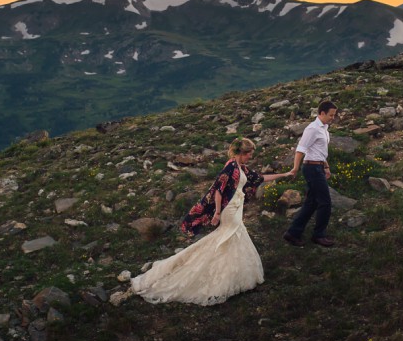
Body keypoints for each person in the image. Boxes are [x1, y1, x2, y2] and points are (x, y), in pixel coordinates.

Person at [130, 137, 293, 305]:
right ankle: (221, 278)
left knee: (231, 237)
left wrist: (284, 174)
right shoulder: (231, 167)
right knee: (231, 235)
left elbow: (258, 178)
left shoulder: (240, 167)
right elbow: (218, 190)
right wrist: (216, 212)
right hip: (229, 209)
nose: (251, 156)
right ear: (241, 153)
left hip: (237, 206)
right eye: (249, 153)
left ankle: (233, 275)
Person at [283, 100, 338, 247]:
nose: (333, 118)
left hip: (318, 166)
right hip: (311, 168)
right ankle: (319, 235)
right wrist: (295, 168)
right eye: (331, 115)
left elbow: (319, 151)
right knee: (325, 202)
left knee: (312, 203)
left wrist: (326, 167)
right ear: (322, 113)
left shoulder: (324, 128)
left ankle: (293, 233)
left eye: (334, 115)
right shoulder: (312, 128)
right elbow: (300, 149)